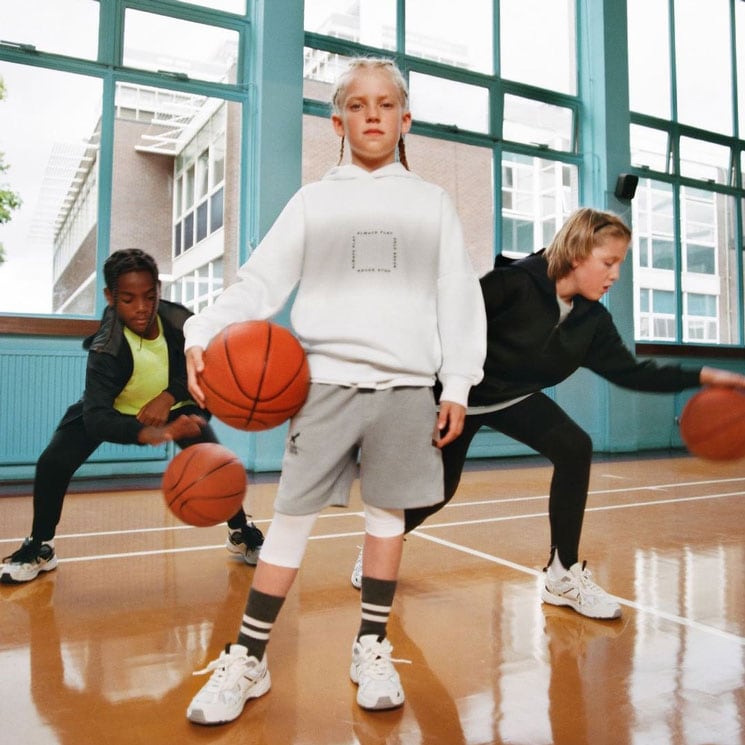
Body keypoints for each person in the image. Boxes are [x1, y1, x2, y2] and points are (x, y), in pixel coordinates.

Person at [182, 57, 486, 725]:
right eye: (357, 104)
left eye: (385, 104)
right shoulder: (314, 201)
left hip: (407, 386)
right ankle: (249, 655)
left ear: (405, 120)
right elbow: (258, 282)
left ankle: (371, 644)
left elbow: (457, 297)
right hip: (321, 385)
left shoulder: (431, 203)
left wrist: (458, 378)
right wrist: (200, 329)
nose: (372, 113)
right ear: (337, 119)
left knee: (386, 519)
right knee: (290, 517)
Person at [350, 207, 745, 620]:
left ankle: (562, 575)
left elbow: (632, 371)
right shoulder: (512, 284)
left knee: (575, 446)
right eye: (608, 262)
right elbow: (437, 326)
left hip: (511, 396)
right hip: (452, 393)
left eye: (619, 265)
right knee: (438, 493)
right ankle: (379, 545)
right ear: (577, 254)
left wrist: (704, 375)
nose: (615, 275)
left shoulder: (591, 320)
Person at [0, 249, 264, 585]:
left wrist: (168, 397)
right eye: (128, 299)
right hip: (112, 410)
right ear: (110, 297)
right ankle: (41, 547)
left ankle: (241, 531)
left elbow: (202, 364)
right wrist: (160, 432)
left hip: (175, 407)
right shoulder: (105, 349)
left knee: (217, 467)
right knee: (52, 462)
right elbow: (96, 418)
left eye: (149, 296)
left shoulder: (179, 321)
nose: (141, 307)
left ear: (158, 291)